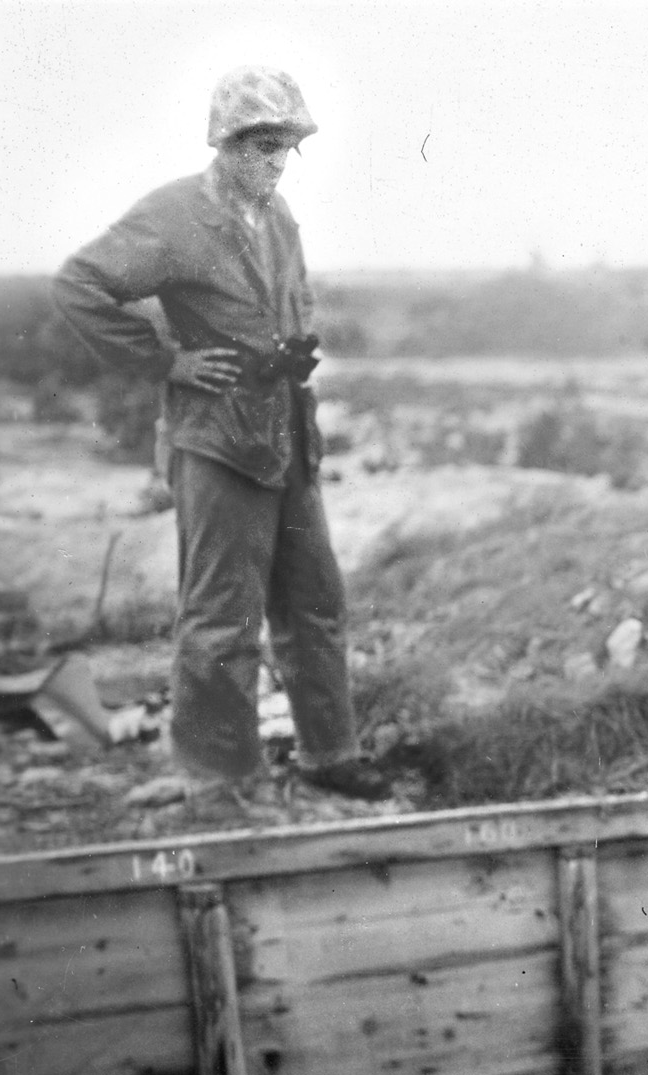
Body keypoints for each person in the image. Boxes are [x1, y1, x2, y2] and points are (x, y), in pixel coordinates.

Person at [53, 67, 388, 805]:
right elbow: (80, 284)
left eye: (286, 148)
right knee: (222, 615)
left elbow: (290, 310)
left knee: (314, 599)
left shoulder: (278, 219)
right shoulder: (174, 217)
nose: (275, 162)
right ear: (228, 143)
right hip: (217, 442)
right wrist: (165, 361)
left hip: (287, 437)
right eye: (263, 145)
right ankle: (218, 779)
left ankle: (330, 751)